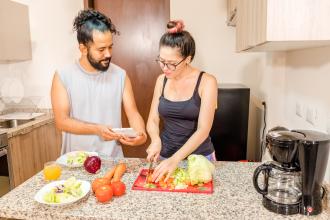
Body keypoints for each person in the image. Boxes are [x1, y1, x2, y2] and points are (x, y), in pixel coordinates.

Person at [51, 9, 147, 157]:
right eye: (101, 49)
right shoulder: (63, 76)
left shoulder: (120, 75)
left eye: (110, 47)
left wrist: (141, 133)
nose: (108, 54)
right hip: (76, 163)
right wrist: (96, 129)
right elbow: (61, 121)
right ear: (83, 48)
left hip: (112, 160)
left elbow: (133, 113)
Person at [146, 20, 218, 182]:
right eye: (161, 61)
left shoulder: (207, 82)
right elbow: (152, 119)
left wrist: (176, 159)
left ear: (187, 59)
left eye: (171, 64)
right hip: (166, 157)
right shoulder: (161, 80)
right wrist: (156, 140)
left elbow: (203, 129)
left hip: (199, 159)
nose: (165, 68)